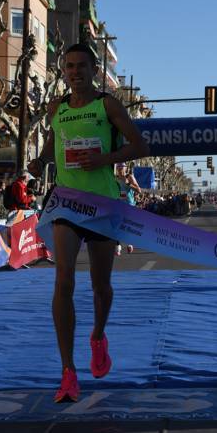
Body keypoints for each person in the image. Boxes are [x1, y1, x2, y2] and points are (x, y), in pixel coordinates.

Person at [28, 43, 149, 403]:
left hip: (103, 204)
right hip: (67, 204)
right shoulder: (57, 108)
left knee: (101, 286)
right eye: (69, 66)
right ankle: (68, 372)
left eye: (81, 65)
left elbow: (140, 146)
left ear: (94, 70)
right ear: (62, 72)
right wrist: (39, 162)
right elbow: (52, 146)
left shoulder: (107, 104)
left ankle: (98, 336)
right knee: (63, 278)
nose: (75, 71)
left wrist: (104, 159)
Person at [115, 163, 141, 255]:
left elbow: (139, 190)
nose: (120, 169)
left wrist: (128, 183)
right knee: (116, 225)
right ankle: (118, 247)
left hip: (129, 205)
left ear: (125, 168)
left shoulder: (129, 177)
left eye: (121, 167)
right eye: (118, 167)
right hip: (118, 204)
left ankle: (129, 243)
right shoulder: (115, 178)